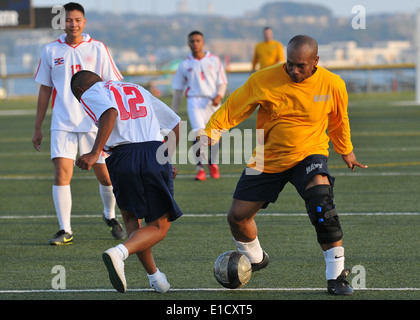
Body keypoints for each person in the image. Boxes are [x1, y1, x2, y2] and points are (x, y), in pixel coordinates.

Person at [198, 35, 368, 295]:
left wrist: (346, 150)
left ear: (315, 62)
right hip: (267, 157)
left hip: (309, 153)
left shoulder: (332, 83)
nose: (294, 70)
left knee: (322, 204)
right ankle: (256, 259)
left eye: (301, 65)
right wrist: (212, 132)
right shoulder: (263, 79)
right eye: (290, 64)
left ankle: (336, 276)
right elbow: (234, 107)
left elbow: (338, 119)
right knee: (238, 217)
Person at [71, 70, 183, 293]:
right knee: (159, 226)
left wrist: (94, 153)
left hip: (121, 157)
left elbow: (109, 112)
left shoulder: (90, 93)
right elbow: (174, 124)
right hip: (152, 152)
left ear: (80, 91)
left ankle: (155, 278)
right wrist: (166, 158)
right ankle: (122, 254)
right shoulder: (136, 88)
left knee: (131, 218)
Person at [32, 2, 126, 245]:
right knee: (61, 174)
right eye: (68, 20)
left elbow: (113, 84)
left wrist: (117, 120)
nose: (73, 24)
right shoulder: (51, 50)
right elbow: (44, 89)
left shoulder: (97, 48)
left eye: (77, 20)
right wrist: (38, 126)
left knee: (105, 176)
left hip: (94, 123)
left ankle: (110, 216)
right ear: (62, 23)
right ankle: (65, 230)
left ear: (84, 22)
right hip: (62, 122)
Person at [171, 30, 228, 181]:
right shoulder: (185, 64)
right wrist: (173, 111)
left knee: (215, 134)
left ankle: (213, 163)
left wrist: (219, 95)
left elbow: (222, 82)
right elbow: (178, 89)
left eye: (198, 41)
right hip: (194, 101)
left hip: (212, 100)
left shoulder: (214, 60)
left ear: (203, 42)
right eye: (192, 41)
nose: (195, 44)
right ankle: (200, 168)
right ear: (188, 43)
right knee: (198, 133)